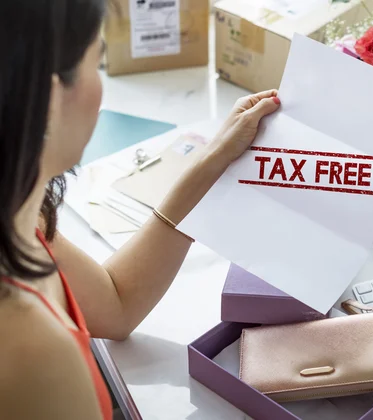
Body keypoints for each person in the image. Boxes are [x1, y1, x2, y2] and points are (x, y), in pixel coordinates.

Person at [0, 1, 280, 419]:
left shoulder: (17, 205)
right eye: (96, 62)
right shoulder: (31, 347)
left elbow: (116, 304)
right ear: (49, 95)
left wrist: (216, 159)